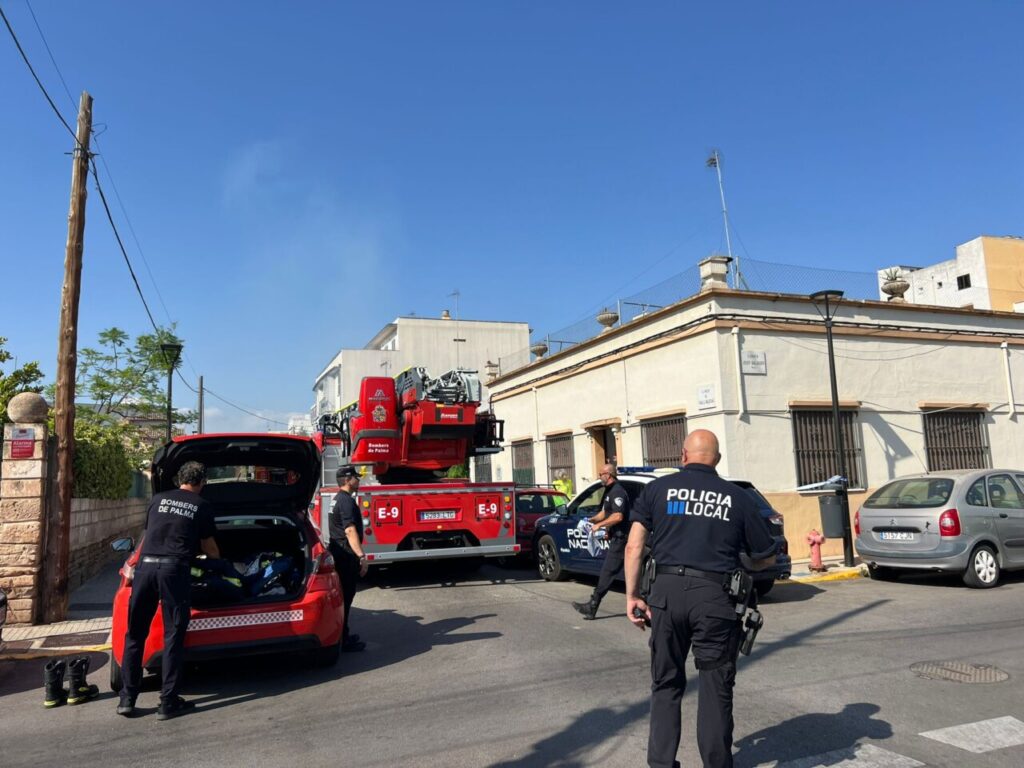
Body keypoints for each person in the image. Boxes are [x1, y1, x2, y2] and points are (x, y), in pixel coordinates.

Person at [625, 430, 777, 768]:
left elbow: (634, 546)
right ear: (717, 460)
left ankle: (662, 764)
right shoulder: (737, 497)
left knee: (665, 683)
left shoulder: (656, 490)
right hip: (715, 597)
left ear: (682, 456)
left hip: (664, 594)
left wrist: (632, 595)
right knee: (714, 685)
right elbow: (765, 555)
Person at [118, 461, 219, 720]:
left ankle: (127, 699)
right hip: (174, 571)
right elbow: (209, 547)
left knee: (135, 633)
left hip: (145, 569)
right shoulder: (201, 506)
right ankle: (168, 701)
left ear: (178, 480)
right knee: (173, 634)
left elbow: (153, 534)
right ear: (202, 482)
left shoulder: (157, 500)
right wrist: (221, 563)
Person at [571, 463, 630, 620]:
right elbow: (605, 512)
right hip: (616, 538)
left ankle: (592, 606)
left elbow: (618, 516)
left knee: (608, 572)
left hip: (622, 539)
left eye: (601, 473)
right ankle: (643, 607)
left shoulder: (618, 492)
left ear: (609, 475)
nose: (599, 476)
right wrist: (591, 520)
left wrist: (600, 525)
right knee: (626, 574)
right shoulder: (609, 491)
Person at [329, 464, 368, 652]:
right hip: (345, 556)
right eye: (355, 477)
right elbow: (350, 530)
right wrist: (361, 556)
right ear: (347, 480)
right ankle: (343, 640)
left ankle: (343, 635)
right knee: (346, 598)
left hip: (339, 553)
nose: (358, 480)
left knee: (344, 597)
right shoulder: (345, 501)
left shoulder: (337, 498)